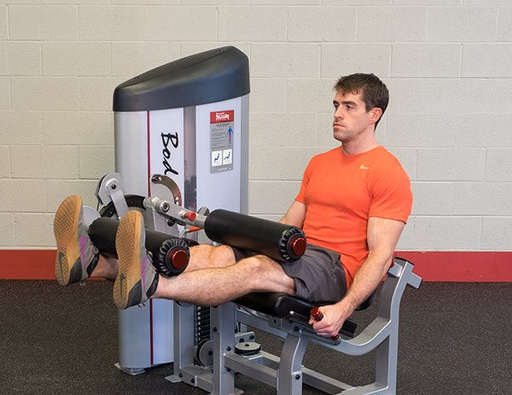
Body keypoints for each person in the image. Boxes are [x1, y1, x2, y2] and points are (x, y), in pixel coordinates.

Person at [54, 73, 412, 339]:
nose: (338, 113)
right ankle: (93, 264)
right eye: (336, 105)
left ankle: (150, 285)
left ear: (374, 114)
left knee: (255, 268)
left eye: (349, 106)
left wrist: (344, 306)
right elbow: (290, 222)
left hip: (335, 270)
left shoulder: (387, 173)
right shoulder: (320, 163)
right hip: (301, 253)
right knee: (217, 255)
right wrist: (253, 239)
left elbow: (380, 255)